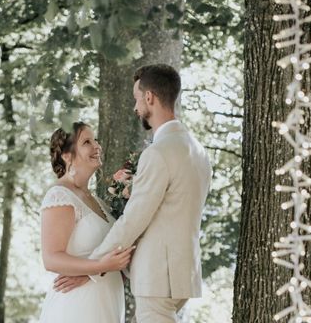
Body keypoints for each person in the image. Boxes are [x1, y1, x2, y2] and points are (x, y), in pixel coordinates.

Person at [54, 64, 212, 323]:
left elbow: (133, 220)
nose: (135, 107)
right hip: (183, 273)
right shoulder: (198, 151)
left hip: (158, 275)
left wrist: (93, 269)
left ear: (149, 97)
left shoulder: (159, 152)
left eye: (137, 99)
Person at [38, 122, 134, 323]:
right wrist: (99, 265)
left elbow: (113, 257)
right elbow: (51, 258)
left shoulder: (97, 202)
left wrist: (94, 270)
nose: (97, 146)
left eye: (96, 140)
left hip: (107, 303)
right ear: (67, 155)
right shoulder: (60, 196)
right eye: (87, 142)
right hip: (78, 307)